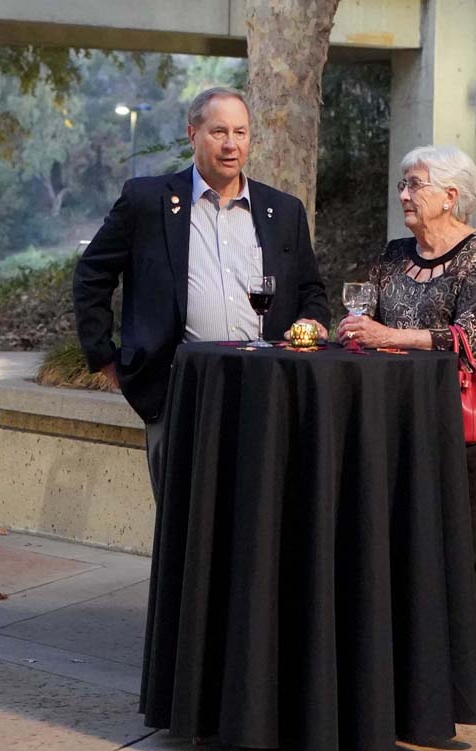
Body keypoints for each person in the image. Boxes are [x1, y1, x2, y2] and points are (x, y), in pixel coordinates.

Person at [337, 144, 476, 713]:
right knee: (407, 546)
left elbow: (467, 334)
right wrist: (347, 329)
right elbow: (360, 320)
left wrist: (386, 336)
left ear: (451, 195)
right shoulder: (392, 256)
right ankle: (409, 670)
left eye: (415, 184)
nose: (404, 195)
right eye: (401, 184)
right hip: (407, 422)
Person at [74, 87, 330, 496]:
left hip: (266, 388)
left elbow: (310, 289)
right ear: (192, 134)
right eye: (219, 132)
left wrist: (310, 322)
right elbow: (92, 275)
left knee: (259, 516)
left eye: (241, 132)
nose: (231, 144)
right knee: (183, 520)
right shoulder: (147, 201)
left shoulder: (283, 210)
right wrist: (105, 358)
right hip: (180, 389)